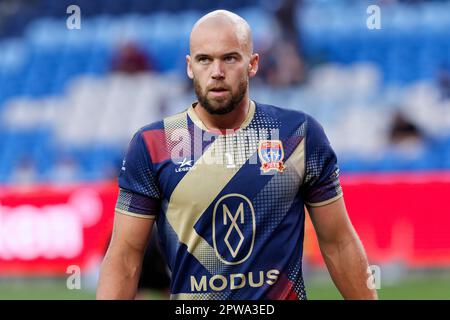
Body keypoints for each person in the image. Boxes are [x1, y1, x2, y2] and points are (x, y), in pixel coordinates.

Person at [96, 10, 377, 300]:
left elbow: (339, 243)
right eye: (205, 59)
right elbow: (125, 258)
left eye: (229, 58)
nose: (217, 71)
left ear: (252, 64)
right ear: (190, 67)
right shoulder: (153, 144)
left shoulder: (298, 134)